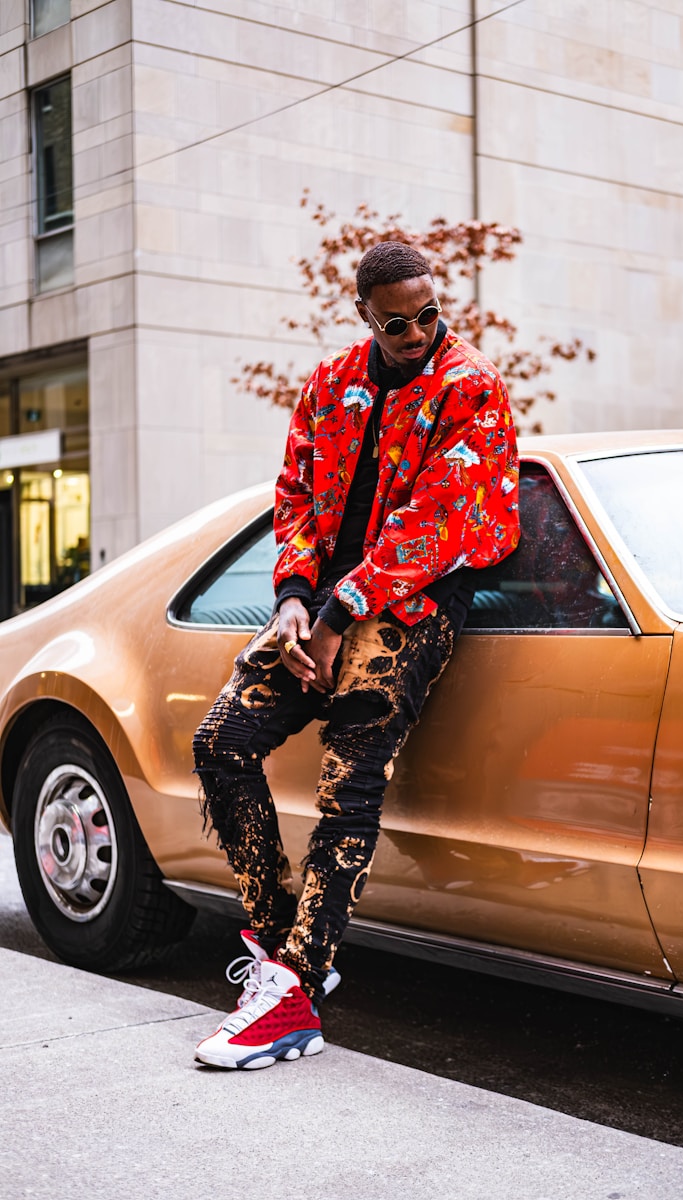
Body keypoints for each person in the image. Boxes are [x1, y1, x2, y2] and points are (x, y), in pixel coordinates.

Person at [192, 241, 520, 1070]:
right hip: (326, 605)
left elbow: (440, 520)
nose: (417, 332)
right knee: (221, 743)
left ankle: (295, 990)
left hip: (410, 604)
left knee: (349, 778)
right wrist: (297, 600)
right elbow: (296, 495)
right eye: (397, 321)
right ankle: (277, 947)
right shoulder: (331, 382)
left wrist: (341, 610)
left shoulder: (468, 384)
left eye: (429, 313)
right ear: (366, 316)